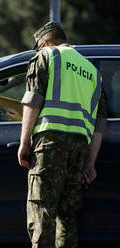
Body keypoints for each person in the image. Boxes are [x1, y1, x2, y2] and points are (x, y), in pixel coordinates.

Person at [18, 22, 107, 248]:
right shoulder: (92, 72)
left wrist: (24, 141)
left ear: (45, 42)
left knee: (42, 212)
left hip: (49, 143)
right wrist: (91, 162)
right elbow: (99, 125)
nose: (37, 51)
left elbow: (33, 100)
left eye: (37, 47)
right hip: (78, 149)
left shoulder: (47, 56)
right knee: (67, 218)